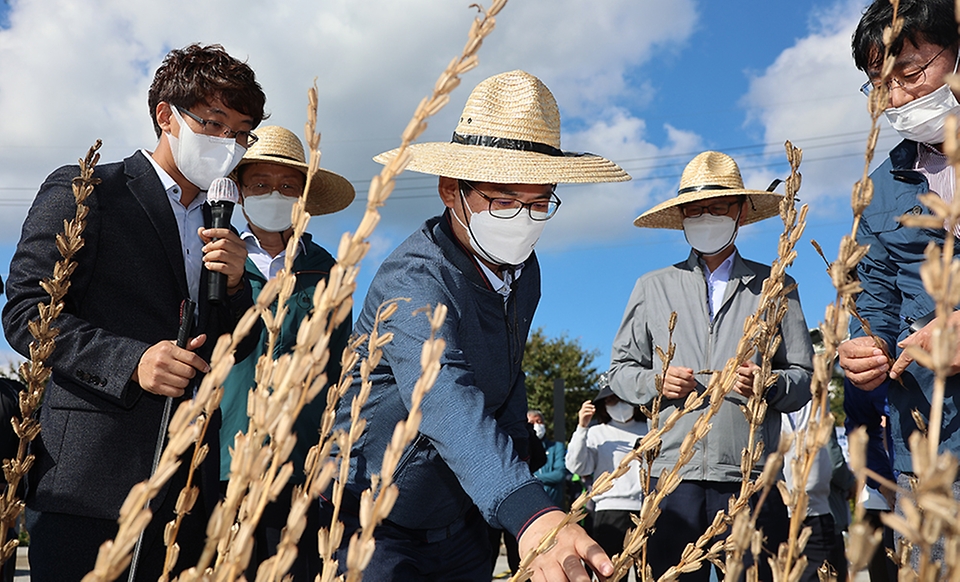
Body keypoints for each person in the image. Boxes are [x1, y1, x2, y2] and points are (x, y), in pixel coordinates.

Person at [328, 70, 630, 581]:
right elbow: (444, 397)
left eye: (540, 203)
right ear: (452, 191)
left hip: (464, 520)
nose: (524, 219)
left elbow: (508, 385)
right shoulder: (415, 279)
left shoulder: (524, 272)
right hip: (373, 521)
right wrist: (528, 511)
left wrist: (518, 514)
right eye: (504, 199)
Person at [2, 44, 265, 581]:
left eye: (241, 134)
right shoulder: (89, 190)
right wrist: (132, 361)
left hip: (187, 485)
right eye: (214, 124)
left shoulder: (224, 223)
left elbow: (239, 348)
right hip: (89, 485)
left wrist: (238, 288)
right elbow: (27, 312)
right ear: (166, 116)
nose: (229, 145)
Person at [608, 150, 814, 581]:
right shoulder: (651, 286)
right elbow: (620, 371)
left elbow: (803, 378)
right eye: (695, 210)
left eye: (717, 207)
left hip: (748, 475)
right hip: (669, 474)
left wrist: (768, 383)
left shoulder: (776, 284)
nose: (706, 217)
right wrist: (656, 382)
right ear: (681, 217)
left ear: (740, 213)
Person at [839, 0, 960, 525]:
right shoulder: (881, 188)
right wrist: (866, 350)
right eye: (879, 83)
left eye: (909, 73)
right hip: (928, 451)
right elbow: (875, 301)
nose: (896, 97)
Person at [217, 125, 355, 579]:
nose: (273, 194)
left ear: (304, 198)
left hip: (298, 463)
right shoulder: (214, 257)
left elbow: (340, 370)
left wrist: (331, 451)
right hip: (224, 459)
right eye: (259, 184)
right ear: (239, 193)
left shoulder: (327, 272)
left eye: (287, 186)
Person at [564, 384, 646, 569]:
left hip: (646, 509)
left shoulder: (649, 428)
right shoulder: (596, 432)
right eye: (611, 400)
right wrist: (582, 427)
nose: (618, 405)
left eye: (622, 399)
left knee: (646, 572)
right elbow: (577, 466)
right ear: (603, 405)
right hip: (609, 509)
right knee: (611, 572)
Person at [528, 409, 568, 509]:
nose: (537, 425)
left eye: (539, 422)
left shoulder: (556, 447)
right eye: (532, 423)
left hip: (553, 504)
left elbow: (559, 474)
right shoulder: (525, 450)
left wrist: (534, 478)